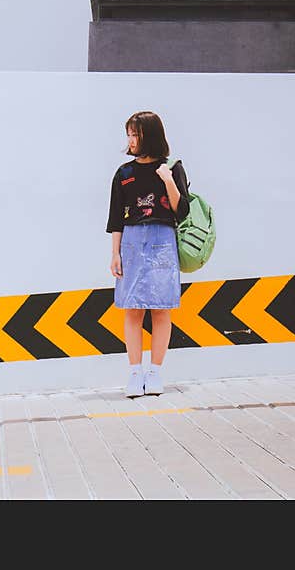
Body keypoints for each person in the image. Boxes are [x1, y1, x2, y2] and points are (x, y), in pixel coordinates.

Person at [106, 111, 190, 398]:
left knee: (161, 309)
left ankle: (155, 372)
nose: (130, 140)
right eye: (129, 134)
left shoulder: (172, 167)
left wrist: (167, 180)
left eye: (135, 134)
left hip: (163, 239)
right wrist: (115, 253)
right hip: (132, 241)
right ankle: (134, 373)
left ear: (149, 136)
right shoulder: (124, 173)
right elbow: (116, 217)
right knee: (132, 309)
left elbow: (181, 210)